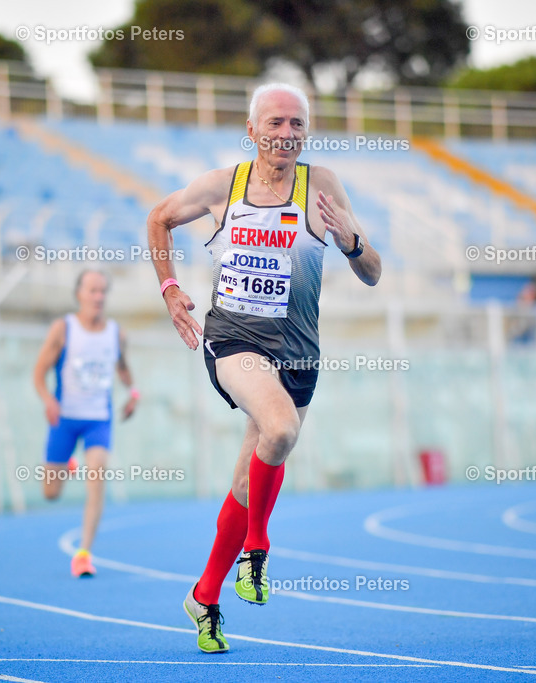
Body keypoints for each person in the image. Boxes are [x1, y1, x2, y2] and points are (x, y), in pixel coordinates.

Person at [146, 82, 381, 653]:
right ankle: (258, 551)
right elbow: (158, 218)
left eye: (296, 124)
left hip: (299, 351)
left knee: (246, 480)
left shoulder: (320, 186)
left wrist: (351, 243)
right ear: (251, 131)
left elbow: (372, 271)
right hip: (233, 338)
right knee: (279, 429)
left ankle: (204, 596)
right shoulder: (223, 186)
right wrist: (171, 289)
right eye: (275, 123)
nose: (287, 134)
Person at [33, 270, 139, 576]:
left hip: (98, 421)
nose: (98, 297)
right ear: (79, 294)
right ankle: (68, 462)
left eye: (103, 291)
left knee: (97, 480)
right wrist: (48, 400)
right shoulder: (63, 329)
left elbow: (123, 369)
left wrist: (133, 393)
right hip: (64, 418)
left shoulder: (116, 333)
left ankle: (83, 553)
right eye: (92, 291)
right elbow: (38, 373)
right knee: (50, 494)